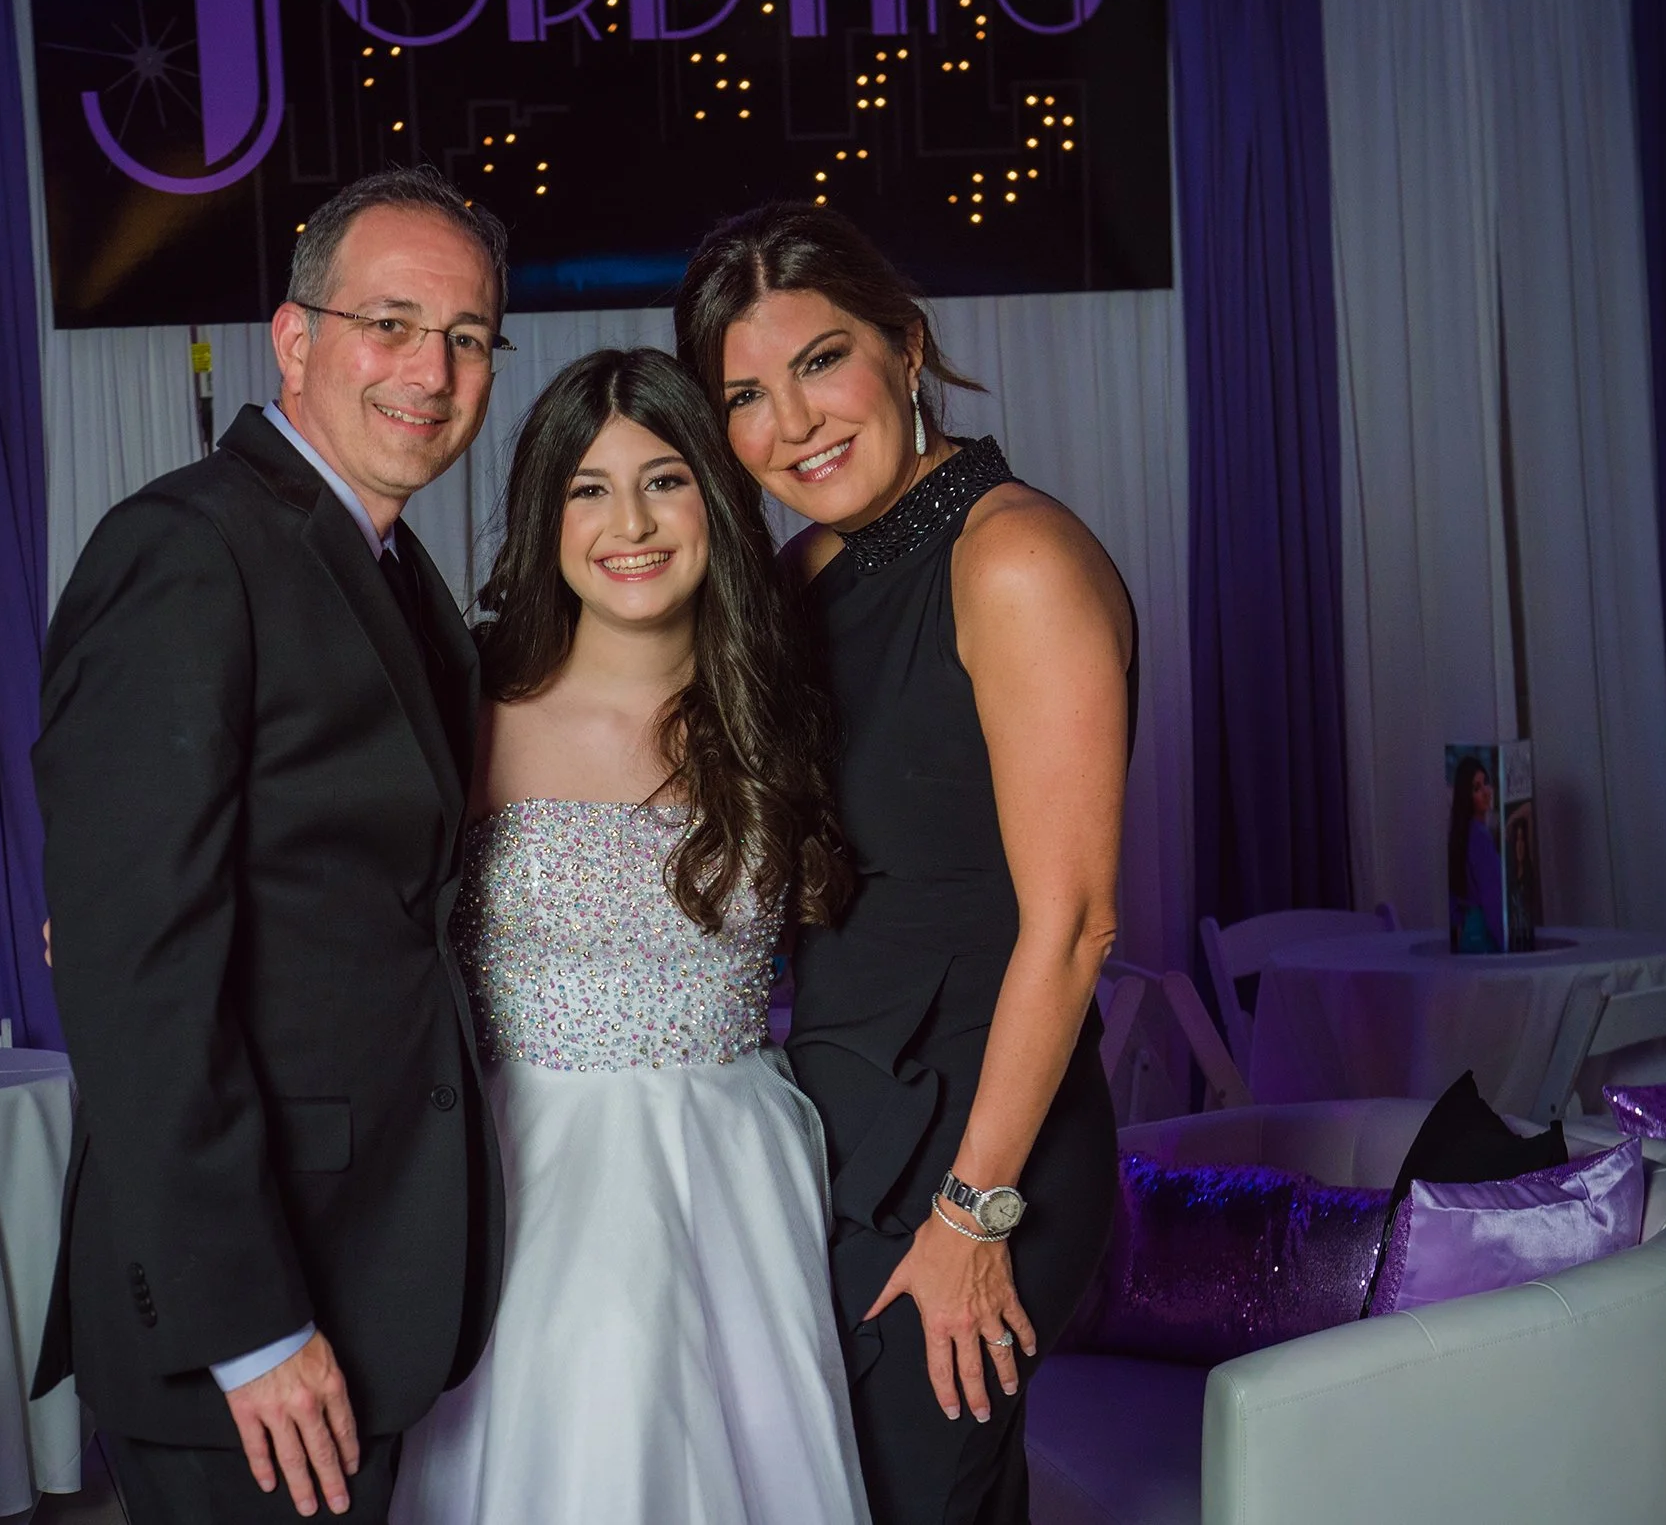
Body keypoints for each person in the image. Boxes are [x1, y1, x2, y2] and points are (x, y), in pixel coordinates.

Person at [32, 167, 509, 1522]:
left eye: (468, 337)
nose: (432, 371)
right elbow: (136, 971)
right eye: (390, 323)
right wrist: (248, 1323)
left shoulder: (384, 561)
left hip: (361, 1256)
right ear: (294, 339)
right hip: (246, 1305)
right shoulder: (187, 549)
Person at [677, 203, 1130, 1524]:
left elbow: (1077, 925)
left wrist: (974, 1213)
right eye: (745, 396)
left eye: (822, 361)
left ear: (906, 347)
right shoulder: (801, 575)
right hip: (840, 1115)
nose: (793, 423)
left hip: (980, 1140)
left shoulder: (1014, 556)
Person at [392, 348, 868, 1523]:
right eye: (589, 490)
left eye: (663, 480)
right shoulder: (464, 707)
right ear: (543, 519)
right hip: (524, 1171)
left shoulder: (779, 702)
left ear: (715, 497)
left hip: (735, 1174)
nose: (632, 524)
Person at [1447, 755, 1503, 952]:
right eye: (1477, 788)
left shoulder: (1460, 835)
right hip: (1485, 935)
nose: (1486, 791)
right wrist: (1506, 943)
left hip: (1468, 936)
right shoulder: (1479, 837)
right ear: (1467, 796)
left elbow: (1453, 902)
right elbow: (1492, 900)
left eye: (1486, 783)